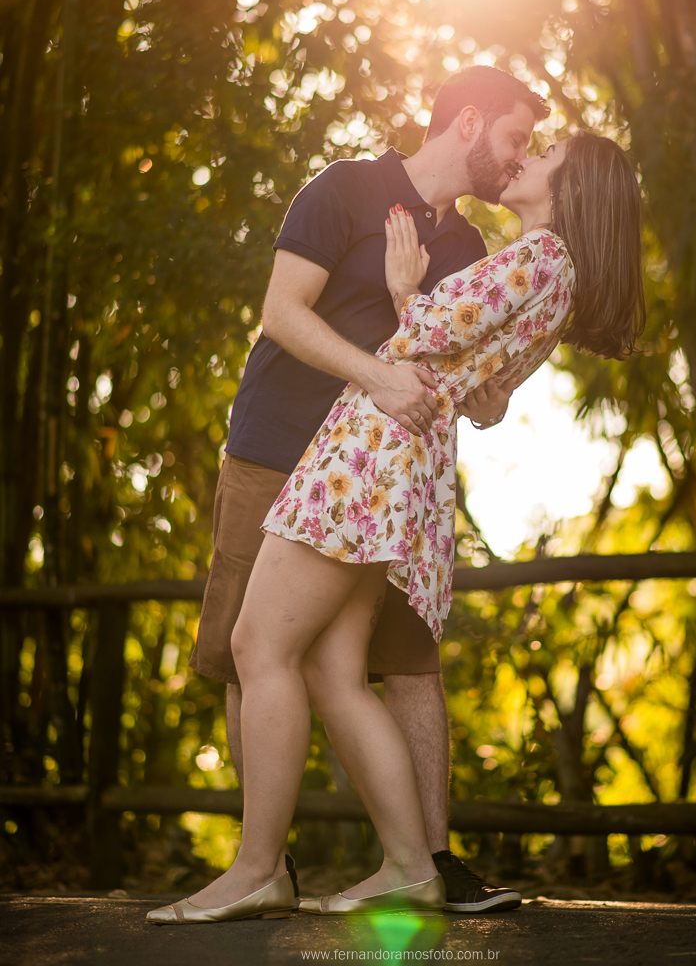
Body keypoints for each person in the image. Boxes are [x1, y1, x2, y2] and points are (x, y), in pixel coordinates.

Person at [148, 129, 646, 924]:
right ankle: (410, 867)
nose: (530, 153)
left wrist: (403, 286)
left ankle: (255, 870)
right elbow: (480, 387)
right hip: (401, 469)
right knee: (333, 671)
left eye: (545, 149)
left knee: (260, 646)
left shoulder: (538, 258)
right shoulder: (558, 280)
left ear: (573, 186)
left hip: (364, 458)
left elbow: (415, 342)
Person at [187, 65, 548, 913]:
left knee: (406, 666)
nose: (516, 159)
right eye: (514, 139)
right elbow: (283, 312)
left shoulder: (470, 251)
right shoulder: (344, 189)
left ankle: (428, 863)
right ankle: (262, 870)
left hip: (381, 484)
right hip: (276, 452)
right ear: (467, 122)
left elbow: (465, 380)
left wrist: (488, 394)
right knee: (251, 656)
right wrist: (378, 379)